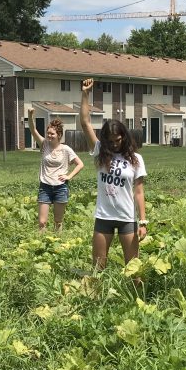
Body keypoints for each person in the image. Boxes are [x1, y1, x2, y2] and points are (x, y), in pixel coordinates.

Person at [78, 79, 147, 269]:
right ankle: (96, 297)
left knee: (134, 269)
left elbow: (139, 192)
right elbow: (85, 123)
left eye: (117, 140)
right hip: (104, 216)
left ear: (124, 137)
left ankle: (136, 297)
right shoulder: (100, 152)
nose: (115, 143)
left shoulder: (136, 159)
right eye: (111, 141)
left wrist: (143, 221)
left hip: (126, 217)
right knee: (98, 267)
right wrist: (85, 94)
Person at [28, 108, 84, 232]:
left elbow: (80, 164)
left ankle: (57, 245)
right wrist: (30, 115)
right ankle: (41, 246)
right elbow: (33, 130)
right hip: (45, 187)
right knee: (42, 222)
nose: (49, 136)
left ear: (59, 135)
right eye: (48, 133)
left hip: (60, 187)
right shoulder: (44, 145)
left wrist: (69, 176)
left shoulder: (66, 149)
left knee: (58, 221)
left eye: (52, 134)